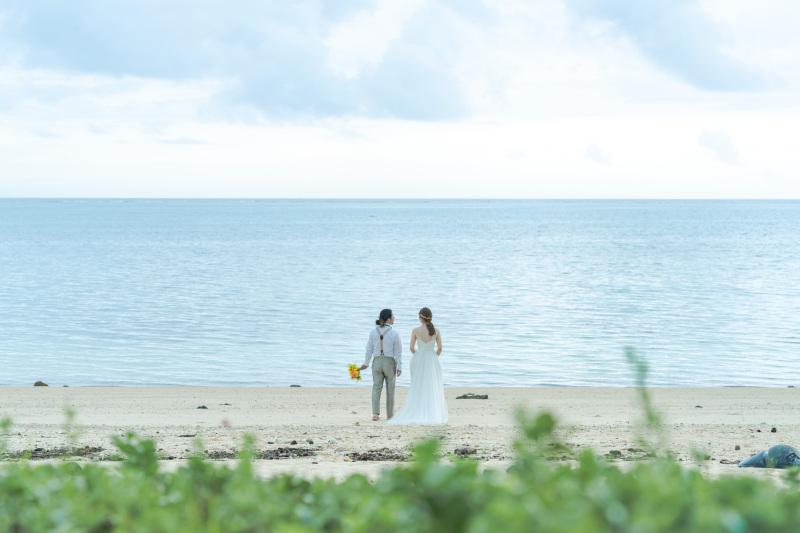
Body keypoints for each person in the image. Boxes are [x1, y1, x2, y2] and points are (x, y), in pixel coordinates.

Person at [387, 307, 448, 425]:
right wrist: (433, 357)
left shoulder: (415, 330)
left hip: (419, 357)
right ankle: (432, 411)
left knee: (418, 384)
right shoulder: (436, 330)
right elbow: (440, 348)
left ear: (420, 317)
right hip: (432, 358)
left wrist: (418, 355)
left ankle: (419, 409)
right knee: (432, 385)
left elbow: (411, 348)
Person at [361, 309, 403, 421]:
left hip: (377, 362)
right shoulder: (394, 333)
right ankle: (389, 415)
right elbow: (398, 352)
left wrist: (366, 363)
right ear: (388, 319)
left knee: (376, 387)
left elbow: (368, 349)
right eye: (393, 316)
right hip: (389, 362)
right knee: (390, 389)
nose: (394, 317)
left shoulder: (373, 332)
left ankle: (375, 414)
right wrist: (399, 366)